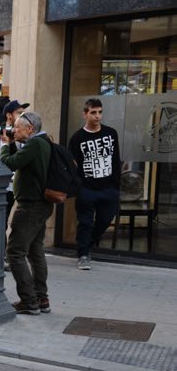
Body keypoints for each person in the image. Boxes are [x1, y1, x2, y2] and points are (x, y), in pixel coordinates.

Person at [1, 111, 53, 315]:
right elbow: (21, 159)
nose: (14, 130)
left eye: (18, 127)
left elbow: (11, 162)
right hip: (42, 205)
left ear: (30, 128)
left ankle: (29, 301)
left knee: (14, 252)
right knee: (35, 251)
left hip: (30, 207)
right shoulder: (44, 143)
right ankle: (42, 298)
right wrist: (13, 144)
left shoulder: (35, 144)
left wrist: (5, 146)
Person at [68, 98, 120, 271]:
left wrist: (116, 186)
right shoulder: (77, 138)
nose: (97, 116)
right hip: (87, 188)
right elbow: (72, 165)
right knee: (86, 222)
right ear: (85, 114)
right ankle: (83, 254)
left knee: (105, 219)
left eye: (100, 112)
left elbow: (115, 159)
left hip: (108, 188)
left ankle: (85, 244)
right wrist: (79, 187)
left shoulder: (111, 133)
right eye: (93, 112)